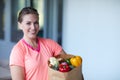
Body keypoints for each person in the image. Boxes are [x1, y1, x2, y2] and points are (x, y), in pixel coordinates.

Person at [9, 7, 68, 80]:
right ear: (20, 25)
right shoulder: (18, 51)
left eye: (36, 23)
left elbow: (68, 63)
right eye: (28, 23)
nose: (33, 27)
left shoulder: (50, 43)